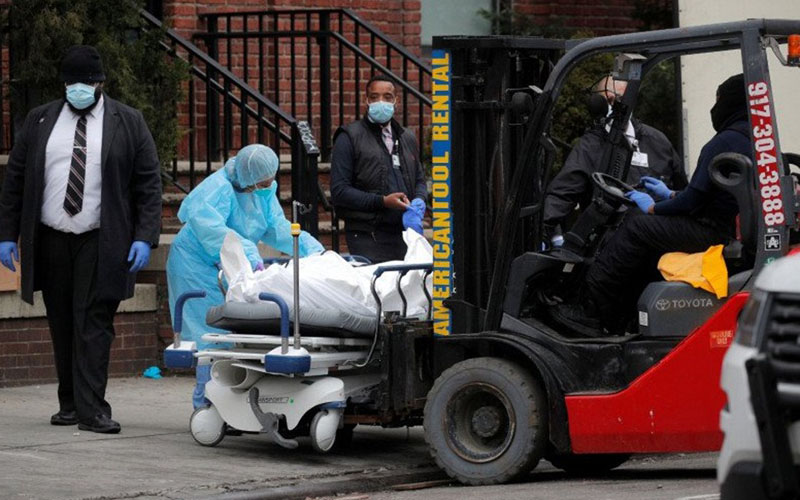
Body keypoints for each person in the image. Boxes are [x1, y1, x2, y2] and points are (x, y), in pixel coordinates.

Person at [0, 45, 162, 433]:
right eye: (73, 82)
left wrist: (144, 236)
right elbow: (16, 180)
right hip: (51, 235)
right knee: (61, 320)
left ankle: (93, 410)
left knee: (93, 321)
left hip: (101, 237)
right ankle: (69, 404)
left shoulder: (128, 121)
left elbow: (148, 184)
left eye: (87, 82)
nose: (80, 88)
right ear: (64, 84)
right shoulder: (40, 121)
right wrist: (7, 235)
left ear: (101, 83)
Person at [554, 74, 751, 335]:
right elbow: (702, 194)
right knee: (644, 237)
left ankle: (589, 308)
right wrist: (669, 195)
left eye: (718, 100)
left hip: (712, 230)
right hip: (719, 225)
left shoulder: (720, 142)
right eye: (610, 99)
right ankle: (622, 318)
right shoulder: (754, 138)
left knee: (638, 225)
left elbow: (693, 199)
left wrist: (653, 207)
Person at [166, 143, 324, 409]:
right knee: (209, 338)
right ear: (248, 177)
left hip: (227, 264)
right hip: (195, 265)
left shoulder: (260, 189)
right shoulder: (215, 191)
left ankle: (227, 403)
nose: (266, 187)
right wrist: (251, 256)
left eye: (269, 182)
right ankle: (206, 404)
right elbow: (217, 235)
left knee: (229, 336)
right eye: (261, 183)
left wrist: (309, 248)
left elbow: (276, 227)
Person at [543, 75, 687, 245]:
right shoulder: (590, 146)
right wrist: (553, 235)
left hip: (658, 244)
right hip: (610, 247)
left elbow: (684, 192)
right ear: (599, 104)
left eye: (621, 99)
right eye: (610, 100)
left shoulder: (657, 141)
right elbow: (561, 195)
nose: (617, 106)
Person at [330, 73, 427, 263]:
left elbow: (419, 180)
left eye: (387, 97)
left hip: (404, 234)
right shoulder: (349, 136)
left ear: (396, 101)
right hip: (368, 234)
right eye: (374, 97)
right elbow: (339, 191)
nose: (381, 102)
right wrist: (382, 201)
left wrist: (419, 201)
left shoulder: (406, 137)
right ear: (366, 101)